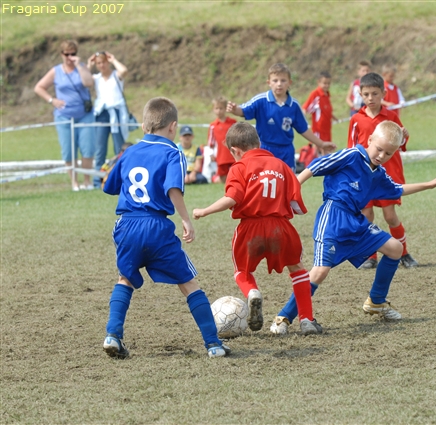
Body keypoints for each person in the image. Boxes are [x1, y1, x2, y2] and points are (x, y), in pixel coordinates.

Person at [269, 121, 436, 334]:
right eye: (379, 149)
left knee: (395, 249)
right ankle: (283, 318)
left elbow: (397, 189)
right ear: (369, 140)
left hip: (356, 221)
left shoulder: (378, 173)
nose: (381, 156)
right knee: (320, 272)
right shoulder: (352, 155)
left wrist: (429, 185)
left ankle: (376, 301)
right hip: (333, 217)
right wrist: (292, 188)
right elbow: (315, 166)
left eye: (388, 153)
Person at [101, 97, 230, 359]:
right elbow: (173, 188)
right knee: (188, 282)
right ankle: (213, 344)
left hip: (127, 224)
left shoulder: (129, 152)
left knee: (125, 278)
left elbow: (109, 186)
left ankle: (112, 335)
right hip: (156, 226)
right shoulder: (173, 152)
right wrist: (185, 219)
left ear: (144, 125)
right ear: (173, 127)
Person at [192, 122, 322, 335]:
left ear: (235, 150)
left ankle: (252, 292)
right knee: (298, 270)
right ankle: (306, 320)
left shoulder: (239, 167)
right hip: (281, 227)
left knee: (242, 271)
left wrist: (205, 211)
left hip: (250, 228)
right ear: (258, 142)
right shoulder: (281, 165)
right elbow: (296, 206)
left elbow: (232, 198)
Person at [347, 72, 416, 269]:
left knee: (390, 216)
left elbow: (399, 144)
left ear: (383, 94)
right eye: (366, 94)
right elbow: (351, 148)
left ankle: (404, 254)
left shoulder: (391, 117)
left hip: (387, 174)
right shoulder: (356, 119)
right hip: (364, 175)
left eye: (375, 94)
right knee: (366, 215)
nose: (370, 98)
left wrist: (404, 137)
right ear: (360, 94)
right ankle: (370, 256)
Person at [226, 63, 336, 172]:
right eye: (275, 80)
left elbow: (303, 129)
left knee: (287, 180)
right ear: (269, 82)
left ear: (289, 82)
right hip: (265, 149)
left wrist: (321, 144)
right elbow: (244, 110)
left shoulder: (293, 106)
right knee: (266, 179)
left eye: (283, 80)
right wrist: (235, 109)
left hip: (286, 151)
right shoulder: (261, 100)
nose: (279, 84)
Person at [34, 40, 95, 191]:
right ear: (61, 54)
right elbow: (39, 87)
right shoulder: (56, 71)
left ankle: (87, 181)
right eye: (67, 54)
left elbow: (89, 83)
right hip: (64, 116)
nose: (69, 57)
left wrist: (79, 66)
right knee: (68, 151)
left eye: (73, 54)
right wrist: (52, 100)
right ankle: (74, 182)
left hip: (84, 115)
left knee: (87, 148)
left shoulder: (82, 67)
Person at [87, 51, 130, 188]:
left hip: (116, 113)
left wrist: (113, 60)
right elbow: (84, 80)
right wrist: (89, 65)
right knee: (100, 148)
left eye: (104, 62)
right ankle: (97, 181)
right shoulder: (96, 78)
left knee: (120, 147)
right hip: (102, 113)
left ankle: (121, 178)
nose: (102, 65)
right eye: (99, 63)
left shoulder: (116, 75)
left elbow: (124, 71)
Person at [302, 71, 338, 156]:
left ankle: (325, 163)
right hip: (318, 129)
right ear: (319, 82)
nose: (327, 85)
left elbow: (325, 110)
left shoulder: (327, 95)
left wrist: (333, 117)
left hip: (327, 129)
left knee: (327, 150)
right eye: (324, 83)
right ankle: (310, 160)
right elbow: (305, 108)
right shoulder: (315, 94)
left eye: (328, 83)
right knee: (317, 149)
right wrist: (303, 120)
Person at [207, 97, 236, 183]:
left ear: (225, 109)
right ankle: (214, 178)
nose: (219, 111)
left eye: (221, 108)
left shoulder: (233, 122)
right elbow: (211, 142)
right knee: (223, 176)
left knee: (235, 172)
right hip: (221, 155)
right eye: (216, 108)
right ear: (213, 109)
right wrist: (211, 153)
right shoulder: (213, 125)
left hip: (232, 153)